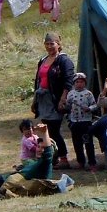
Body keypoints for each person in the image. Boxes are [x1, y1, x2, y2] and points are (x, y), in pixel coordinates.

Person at [31, 31, 75, 168]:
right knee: (47, 130)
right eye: (47, 44)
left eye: (52, 44)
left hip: (55, 99)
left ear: (58, 44)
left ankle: (63, 159)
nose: (49, 46)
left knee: (54, 130)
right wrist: (35, 101)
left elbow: (68, 81)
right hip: (43, 99)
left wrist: (63, 98)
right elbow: (38, 81)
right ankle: (52, 157)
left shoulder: (64, 60)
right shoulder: (43, 60)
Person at [65, 72, 98, 172]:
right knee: (77, 144)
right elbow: (68, 107)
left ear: (85, 83)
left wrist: (89, 109)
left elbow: (95, 105)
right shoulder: (71, 94)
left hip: (86, 122)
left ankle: (92, 163)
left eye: (81, 82)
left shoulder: (88, 94)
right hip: (75, 122)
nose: (79, 84)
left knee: (88, 143)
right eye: (77, 82)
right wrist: (66, 105)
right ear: (74, 83)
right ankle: (81, 162)